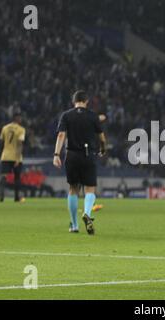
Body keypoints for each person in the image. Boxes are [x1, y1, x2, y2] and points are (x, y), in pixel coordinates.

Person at [53, 91, 107, 235]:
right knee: (90, 189)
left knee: (73, 189)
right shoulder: (92, 116)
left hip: (71, 155)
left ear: (74, 101)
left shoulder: (66, 115)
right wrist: (102, 148)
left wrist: (56, 154)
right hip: (88, 155)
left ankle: (74, 225)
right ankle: (87, 213)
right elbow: (101, 137)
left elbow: (61, 135)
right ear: (86, 101)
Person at [0, 113, 26, 202]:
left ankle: (1, 196)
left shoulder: (5, 128)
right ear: (17, 119)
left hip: (5, 155)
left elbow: (1, 142)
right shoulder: (21, 129)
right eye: (20, 118)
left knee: (4, 176)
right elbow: (20, 144)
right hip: (16, 157)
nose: (21, 120)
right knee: (17, 177)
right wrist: (18, 158)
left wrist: (3, 152)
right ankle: (16, 197)